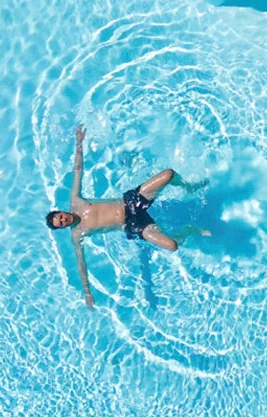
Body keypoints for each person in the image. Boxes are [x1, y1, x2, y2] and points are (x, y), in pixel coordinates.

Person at [46, 126, 177, 307]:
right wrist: (87, 291)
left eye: (60, 217)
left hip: (130, 202)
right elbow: (81, 263)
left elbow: (78, 170)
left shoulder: (76, 200)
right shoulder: (77, 233)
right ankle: (188, 231)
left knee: (168, 174)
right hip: (132, 224)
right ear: (63, 227)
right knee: (172, 245)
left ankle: (187, 186)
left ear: (61, 212)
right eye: (61, 223)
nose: (63, 220)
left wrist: (79, 143)